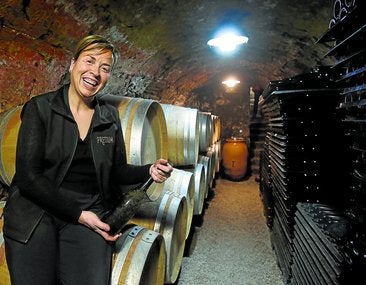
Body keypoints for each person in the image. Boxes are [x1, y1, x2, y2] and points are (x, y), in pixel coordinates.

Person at [3, 34, 173, 285]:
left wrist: (149, 170)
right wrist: (78, 214)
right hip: (37, 211)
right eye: (89, 61)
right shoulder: (40, 108)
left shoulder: (109, 116)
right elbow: (28, 178)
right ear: (73, 64)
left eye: (105, 68)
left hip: (91, 211)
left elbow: (117, 171)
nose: (95, 72)